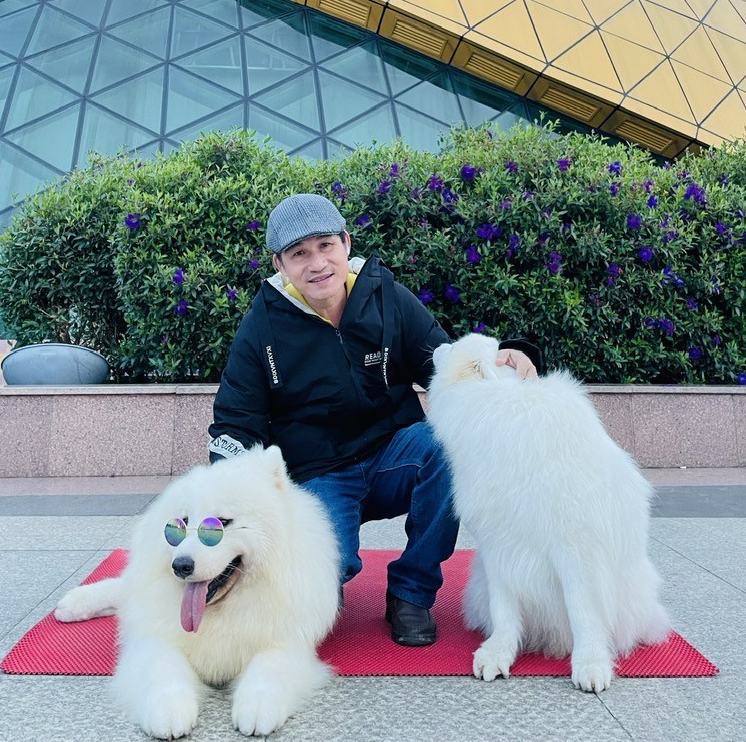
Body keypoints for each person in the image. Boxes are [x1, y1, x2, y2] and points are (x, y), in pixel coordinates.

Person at [208, 192, 539, 646]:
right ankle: (326, 582)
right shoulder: (260, 326)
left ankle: (411, 593)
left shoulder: (385, 296)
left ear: (346, 242)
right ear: (280, 264)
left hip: (392, 453)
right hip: (318, 472)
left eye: (326, 245)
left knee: (445, 448)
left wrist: (508, 357)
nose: (317, 263)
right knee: (327, 580)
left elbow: (444, 364)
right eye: (299, 254)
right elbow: (235, 421)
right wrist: (222, 500)